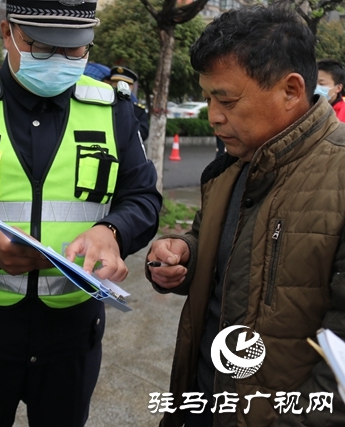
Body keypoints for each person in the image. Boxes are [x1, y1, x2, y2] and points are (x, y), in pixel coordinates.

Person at [0, 0, 162, 426]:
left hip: (72, 331)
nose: (59, 60)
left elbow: (143, 197)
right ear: (7, 32)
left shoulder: (111, 107)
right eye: (42, 47)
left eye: (75, 50)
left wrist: (112, 231)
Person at [146, 5, 345, 426]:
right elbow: (223, 251)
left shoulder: (338, 175)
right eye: (208, 98)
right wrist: (184, 254)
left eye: (227, 100)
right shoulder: (233, 164)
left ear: (290, 90)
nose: (213, 115)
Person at [107, 66, 149, 141]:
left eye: (124, 84)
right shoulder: (103, 105)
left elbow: (143, 133)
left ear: (131, 87)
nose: (118, 87)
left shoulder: (138, 110)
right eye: (115, 83)